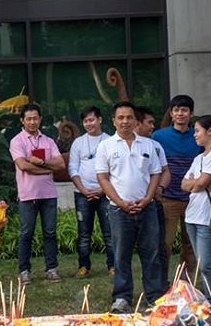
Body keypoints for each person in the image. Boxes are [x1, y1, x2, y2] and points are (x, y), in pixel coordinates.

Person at [96, 101, 164, 314]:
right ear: (113, 121)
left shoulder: (148, 145)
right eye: (120, 117)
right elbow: (103, 178)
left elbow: (155, 174)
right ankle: (122, 297)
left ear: (136, 121)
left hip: (148, 207)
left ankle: (154, 297)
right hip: (119, 210)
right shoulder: (105, 146)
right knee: (121, 255)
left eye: (129, 117)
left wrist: (147, 198)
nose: (125, 121)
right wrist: (120, 202)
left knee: (151, 254)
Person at [10, 103, 66, 285]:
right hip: (28, 195)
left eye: (35, 118)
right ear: (22, 121)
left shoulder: (48, 141)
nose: (32, 122)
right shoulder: (17, 141)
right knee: (26, 233)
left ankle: (52, 268)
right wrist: (46, 169)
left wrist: (40, 163)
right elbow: (23, 166)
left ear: (40, 119)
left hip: (48, 194)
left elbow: (61, 165)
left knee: (50, 233)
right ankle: (24, 271)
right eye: (28, 119)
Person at [152, 95, 199, 282]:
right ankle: (162, 283)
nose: (180, 113)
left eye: (184, 110)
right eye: (176, 110)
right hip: (168, 198)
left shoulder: (198, 135)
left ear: (191, 113)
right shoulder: (159, 137)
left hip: (194, 198)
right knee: (166, 243)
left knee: (191, 244)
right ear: (171, 113)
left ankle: (186, 285)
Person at [67, 106, 113, 278]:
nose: (89, 124)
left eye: (92, 120)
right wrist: (83, 189)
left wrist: (103, 189)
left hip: (106, 194)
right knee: (84, 233)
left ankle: (113, 266)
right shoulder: (78, 143)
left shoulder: (109, 141)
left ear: (100, 120)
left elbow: (113, 170)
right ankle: (84, 266)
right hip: (82, 194)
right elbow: (73, 168)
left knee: (109, 232)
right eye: (85, 121)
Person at [134, 105, 172, 289]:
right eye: (149, 122)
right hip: (125, 205)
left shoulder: (155, 146)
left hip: (153, 204)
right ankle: (123, 295)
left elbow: (164, 172)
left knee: (157, 247)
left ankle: (160, 286)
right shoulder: (115, 144)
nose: (152, 126)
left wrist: (160, 187)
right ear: (137, 123)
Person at [181, 115, 211, 298]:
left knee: (206, 263)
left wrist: (196, 183)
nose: (195, 135)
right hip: (192, 215)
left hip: (206, 217)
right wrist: (196, 183)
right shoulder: (199, 157)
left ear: (210, 131)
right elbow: (183, 184)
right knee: (202, 263)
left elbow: (200, 184)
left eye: (198, 131)